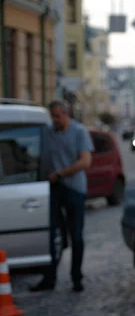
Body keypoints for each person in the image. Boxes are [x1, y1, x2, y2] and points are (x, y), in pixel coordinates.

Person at [30, 100, 94, 293]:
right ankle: (49, 278)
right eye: (52, 116)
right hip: (54, 188)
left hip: (74, 188)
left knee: (76, 235)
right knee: (52, 234)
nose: (55, 120)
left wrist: (61, 173)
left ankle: (76, 278)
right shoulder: (48, 132)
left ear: (66, 114)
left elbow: (85, 162)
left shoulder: (79, 131)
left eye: (57, 116)